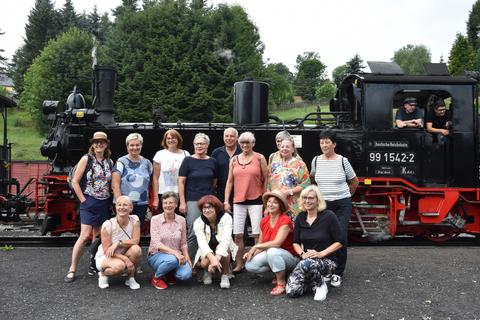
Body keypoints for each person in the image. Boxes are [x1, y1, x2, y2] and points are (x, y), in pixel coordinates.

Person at [310, 130, 359, 288]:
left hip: (341, 204)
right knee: (323, 237)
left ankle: (338, 272)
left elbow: (354, 181)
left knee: (340, 237)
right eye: (322, 142)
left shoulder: (343, 161)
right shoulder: (316, 161)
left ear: (334, 144)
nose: (324, 145)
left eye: (327, 142)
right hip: (324, 205)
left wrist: (346, 197)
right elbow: (313, 180)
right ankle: (326, 269)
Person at [64, 131, 113, 283]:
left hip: (103, 202)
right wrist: (83, 201)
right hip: (89, 201)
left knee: (98, 235)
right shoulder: (86, 159)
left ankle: (93, 264)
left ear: (106, 144)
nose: (99, 144)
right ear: (92, 144)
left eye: (102, 142)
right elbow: (75, 181)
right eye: (96, 142)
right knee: (85, 235)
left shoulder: (109, 162)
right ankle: (72, 268)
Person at [286, 186, 343, 301]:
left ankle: (320, 285)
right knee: (292, 292)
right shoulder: (300, 218)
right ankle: (312, 279)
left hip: (328, 261)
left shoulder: (329, 216)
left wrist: (321, 253)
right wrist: (302, 254)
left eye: (311, 198)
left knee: (306, 264)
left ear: (318, 200)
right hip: (307, 260)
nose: (307, 201)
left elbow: (341, 241)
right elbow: (295, 242)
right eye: (305, 198)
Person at [224, 131, 268, 273]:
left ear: (253, 144)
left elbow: (266, 179)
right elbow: (230, 181)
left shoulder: (260, 158)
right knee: (237, 234)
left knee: (256, 235)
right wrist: (226, 200)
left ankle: (257, 264)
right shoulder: (234, 160)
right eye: (242, 142)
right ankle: (239, 264)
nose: (244, 145)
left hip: (256, 200)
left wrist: (264, 198)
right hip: (238, 201)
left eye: (247, 142)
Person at [244, 190, 299, 296]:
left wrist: (255, 247)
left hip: (291, 257)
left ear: (281, 206)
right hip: (274, 254)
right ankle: (278, 271)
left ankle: (281, 283)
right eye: (269, 201)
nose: (271, 204)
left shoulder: (285, 220)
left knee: (272, 251)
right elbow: (261, 243)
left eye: (275, 202)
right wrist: (251, 253)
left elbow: (277, 243)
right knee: (250, 265)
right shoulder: (264, 221)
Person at [178, 133, 218, 260]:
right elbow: (181, 182)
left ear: (207, 145)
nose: (199, 146)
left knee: (209, 231)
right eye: (197, 144)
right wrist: (182, 202)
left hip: (209, 201)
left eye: (202, 144)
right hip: (192, 200)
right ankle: (191, 263)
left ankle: (206, 262)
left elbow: (214, 182)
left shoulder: (212, 161)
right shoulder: (188, 160)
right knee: (193, 233)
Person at [95, 196, 142, 290]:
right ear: (115, 207)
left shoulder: (135, 220)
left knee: (136, 249)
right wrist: (125, 259)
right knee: (120, 266)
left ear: (131, 208)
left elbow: (136, 240)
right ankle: (103, 274)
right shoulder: (108, 225)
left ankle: (131, 278)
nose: (122, 207)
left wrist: (118, 243)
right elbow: (107, 251)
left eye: (125, 205)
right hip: (107, 256)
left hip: (123, 251)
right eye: (119, 205)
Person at [148, 192, 192, 290]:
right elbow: (156, 243)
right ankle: (156, 278)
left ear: (176, 204)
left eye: (171, 203)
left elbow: (183, 243)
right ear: (162, 205)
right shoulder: (155, 219)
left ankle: (168, 272)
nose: (168, 205)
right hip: (157, 255)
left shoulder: (181, 220)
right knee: (172, 259)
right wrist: (175, 253)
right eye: (165, 203)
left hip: (176, 257)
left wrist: (187, 258)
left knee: (186, 274)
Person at [193, 195, 238, 289]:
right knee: (204, 263)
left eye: (210, 207)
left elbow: (226, 240)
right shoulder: (197, 222)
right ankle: (207, 272)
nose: (207, 210)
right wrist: (211, 258)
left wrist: (216, 258)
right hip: (207, 250)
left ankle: (225, 275)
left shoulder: (226, 218)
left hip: (223, 249)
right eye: (204, 208)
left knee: (225, 252)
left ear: (216, 207)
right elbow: (202, 243)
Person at [112, 132, 153, 234]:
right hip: (124, 204)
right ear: (127, 146)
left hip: (141, 203)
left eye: (137, 145)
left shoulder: (147, 163)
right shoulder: (121, 162)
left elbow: (151, 182)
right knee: (121, 232)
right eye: (132, 145)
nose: (135, 147)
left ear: (141, 146)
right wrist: (120, 203)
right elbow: (115, 185)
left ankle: (134, 250)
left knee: (136, 232)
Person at [267, 137, 310, 217]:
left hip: (292, 206)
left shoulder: (300, 165)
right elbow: (268, 184)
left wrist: (289, 192)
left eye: (287, 147)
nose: (284, 149)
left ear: (293, 149)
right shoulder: (274, 165)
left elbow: (306, 184)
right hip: (275, 205)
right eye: (282, 147)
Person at [152, 129, 190, 213]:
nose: (170, 140)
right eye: (168, 138)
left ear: (178, 139)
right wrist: (155, 198)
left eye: (173, 138)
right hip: (163, 194)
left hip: (180, 194)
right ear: (165, 140)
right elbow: (155, 177)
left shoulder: (186, 154)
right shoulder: (159, 154)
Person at [211, 127, 241, 203]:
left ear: (237, 138)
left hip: (240, 192)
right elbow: (213, 173)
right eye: (226, 136)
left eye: (232, 136)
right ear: (223, 137)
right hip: (220, 193)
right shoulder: (216, 153)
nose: (229, 138)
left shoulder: (242, 152)